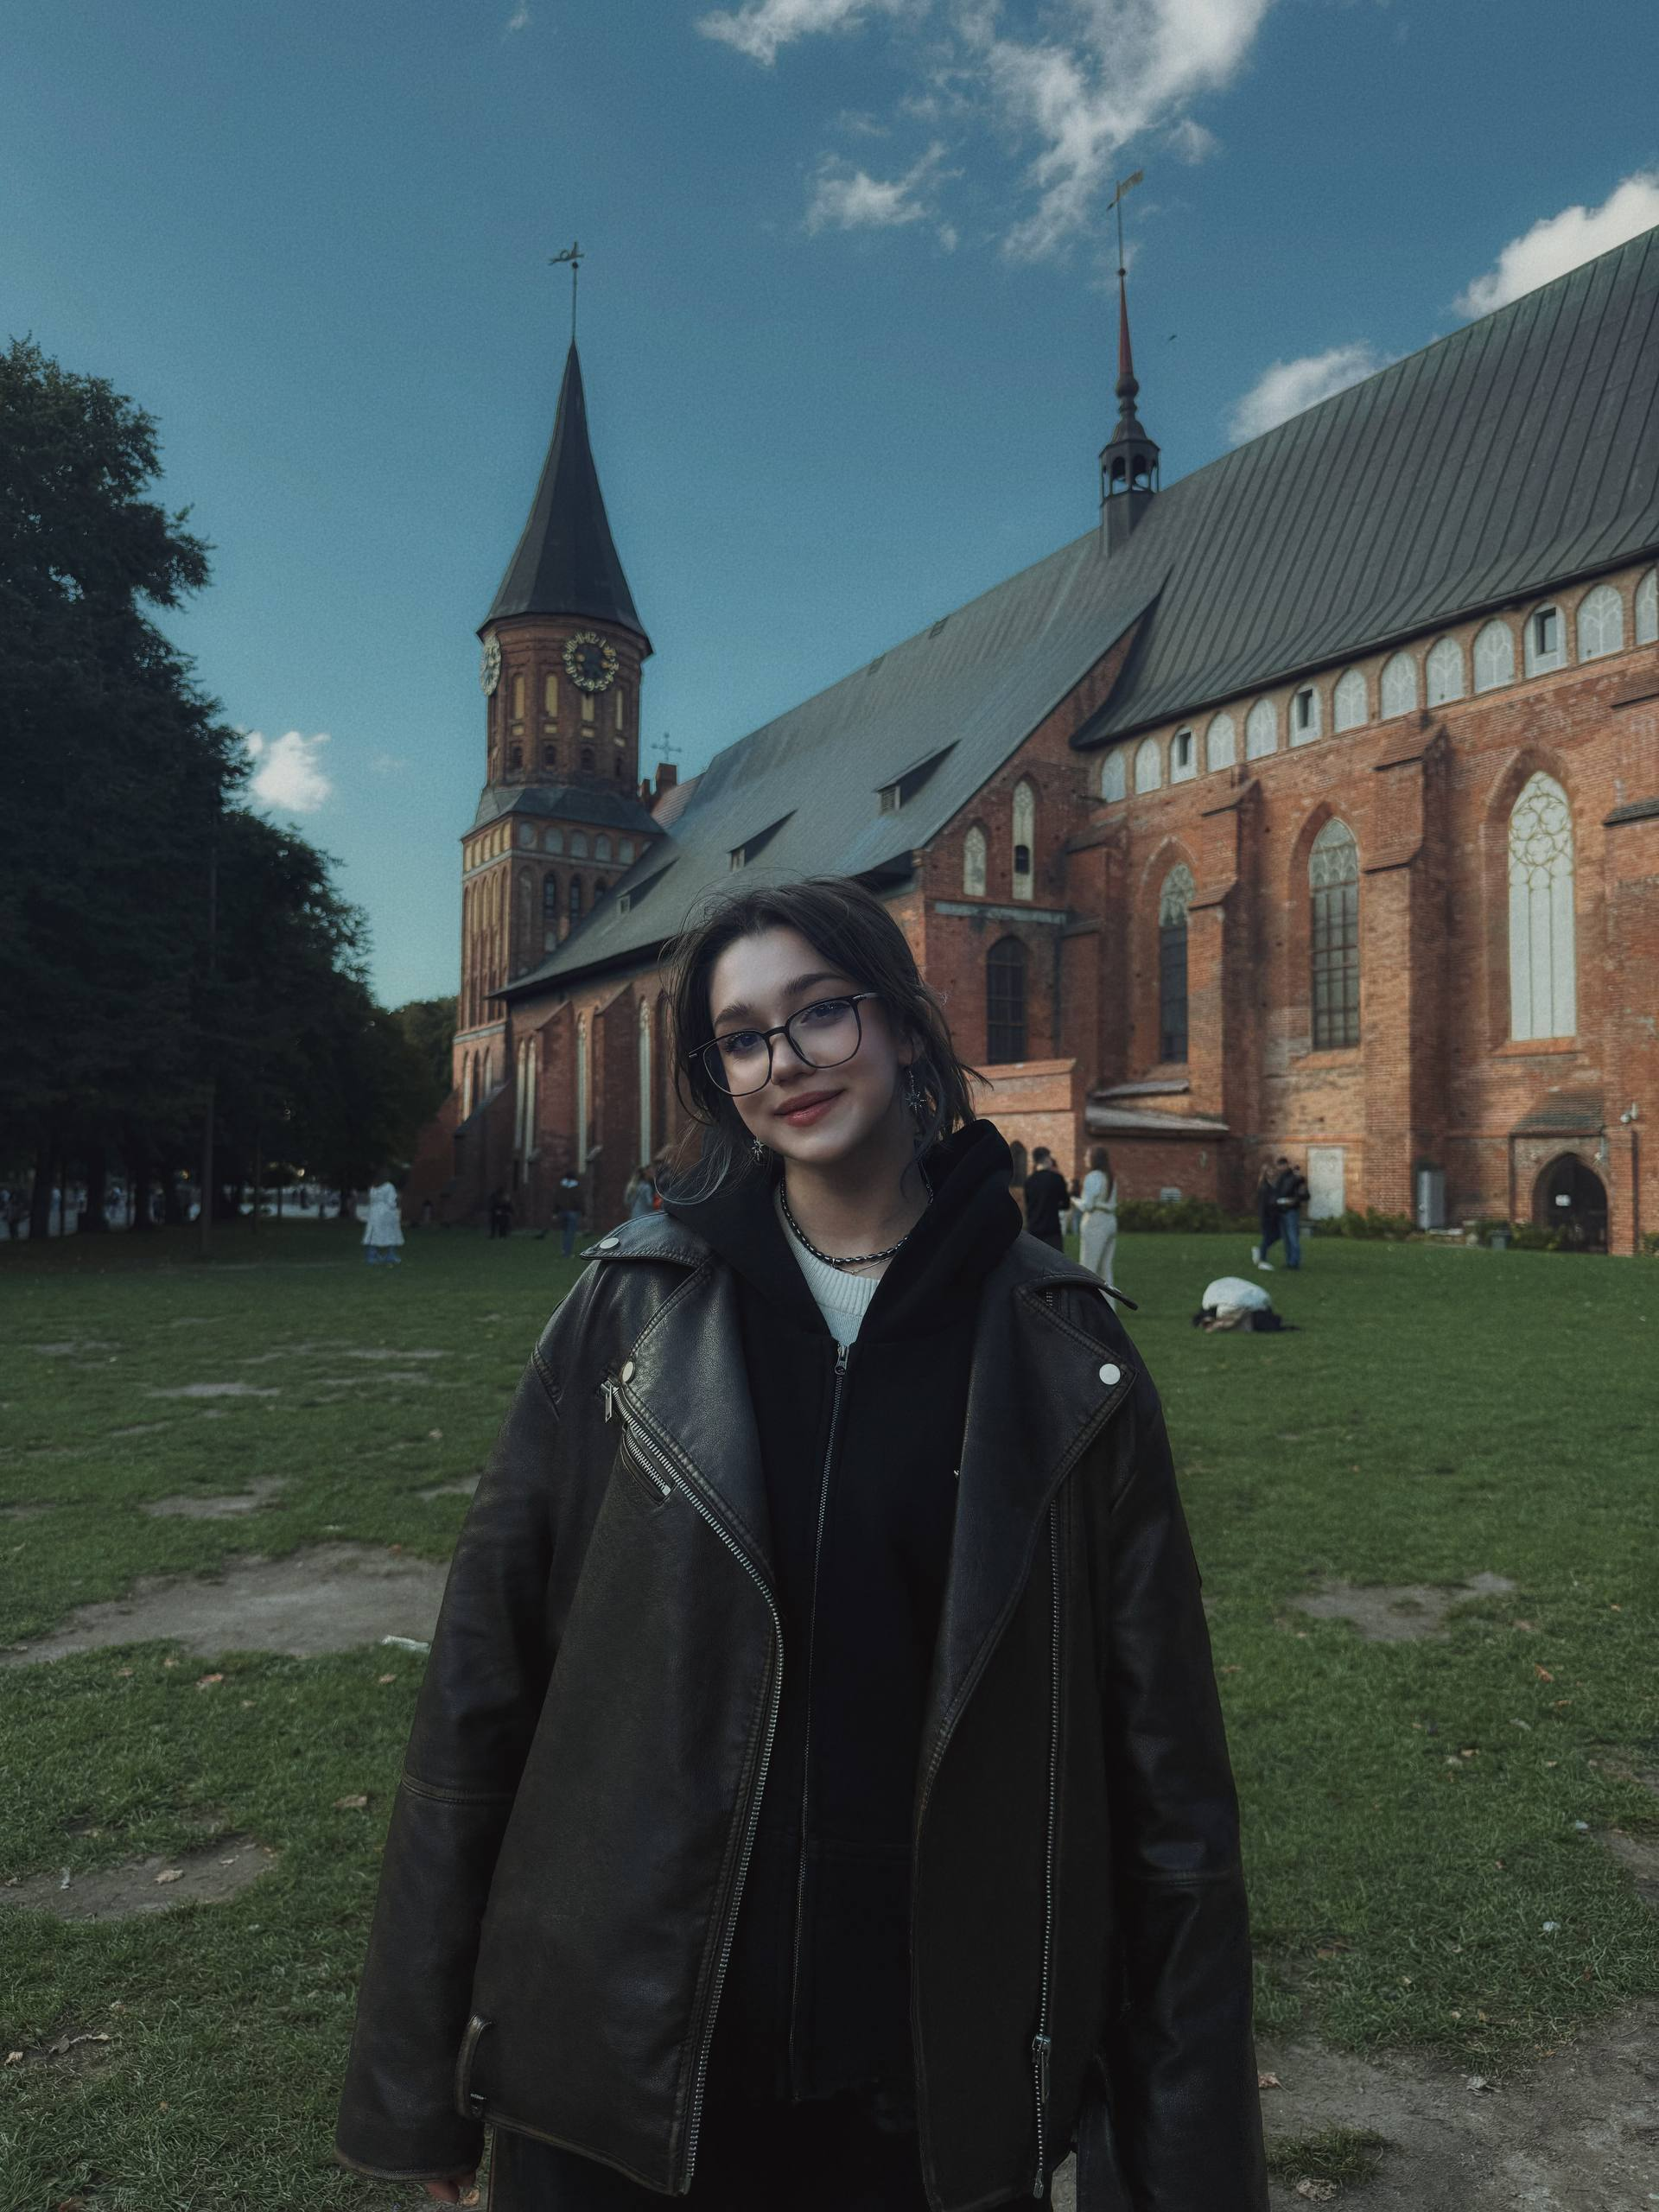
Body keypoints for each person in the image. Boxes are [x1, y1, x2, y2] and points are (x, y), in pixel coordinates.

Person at [333, 875, 1268, 2212]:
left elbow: (1167, 1785)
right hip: (626, 2070)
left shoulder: (1061, 1345)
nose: (786, 1061)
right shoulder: (631, 1314)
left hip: (923, 2085)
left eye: (820, 1012)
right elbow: (480, 1694)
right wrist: (417, 2078)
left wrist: (1189, 2163)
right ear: (719, 1077)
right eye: (742, 1036)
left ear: (899, 1021)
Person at [1077, 1144, 1119, 1292]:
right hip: (1110, 1221)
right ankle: (1108, 1303)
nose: (1085, 1159)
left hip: (1095, 1222)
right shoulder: (1110, 1177)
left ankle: (1087, 1302)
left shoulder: (1093, 1177)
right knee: (1105, 1268)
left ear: (1094, 1159)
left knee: (1089, 1266)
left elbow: (1087, 1206)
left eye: (1087, 1156)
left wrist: (1074, 1200)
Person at [1020, 1146, 1069, 1253]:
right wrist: (1054, 1205)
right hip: (1052, 1229)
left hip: (1033, 1229)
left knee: (1034, 1260)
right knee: (1055, 1261)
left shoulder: (1029, 1181)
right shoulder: (1057, 1179)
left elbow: (1028, 1205)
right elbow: (1066, 1204)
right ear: (1047, 1159)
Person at [1273, 1156, 1309, 1270]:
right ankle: (1289, 1261)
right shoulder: (1280, 1178)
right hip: (1281, 1210)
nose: (1280, 1168)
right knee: (1286, 1238)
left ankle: (1294, 1262)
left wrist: (1294, 1200)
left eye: (1281, 1166)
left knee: (1293, 1237)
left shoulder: (1297, 1178)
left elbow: (1304, 1195)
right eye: (1279, 1166)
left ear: (1286, 1165)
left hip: (1291, 1210)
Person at [362, 1175, 404, 1267]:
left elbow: (371, 1199)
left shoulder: (374, 1187)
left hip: (374, 1212)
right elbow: (391, 1201)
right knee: (391, 1233)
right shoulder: (389, 1186)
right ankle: (390, 1254)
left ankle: (371, 1255)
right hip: (386, 1212)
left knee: (374, 1233)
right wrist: (395, 1205)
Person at [1250, 1157, 1281, 1271]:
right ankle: (1263, 1261)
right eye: (1269, 1171)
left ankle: (1259, 1251)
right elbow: (1264, 1204)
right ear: (1266, 1173)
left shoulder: (1273, 1185)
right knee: (1267, 1237)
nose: (1272, 1173)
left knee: (1277, 1235)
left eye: (1273, 1170)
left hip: (1274, 1216)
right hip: (1267, 1216)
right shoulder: (1264, 1186)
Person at [556, 1167, 583, 1256]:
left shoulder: (561, 1186)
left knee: (565, 1233)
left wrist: (555, 1211)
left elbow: (556, 1199)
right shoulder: (576, 1187)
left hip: (562, 1212)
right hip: (573, 1212)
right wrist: (583, 1212)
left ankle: (564, 1250)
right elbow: (579, 1200)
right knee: (570, 1233)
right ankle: (567, 1253)